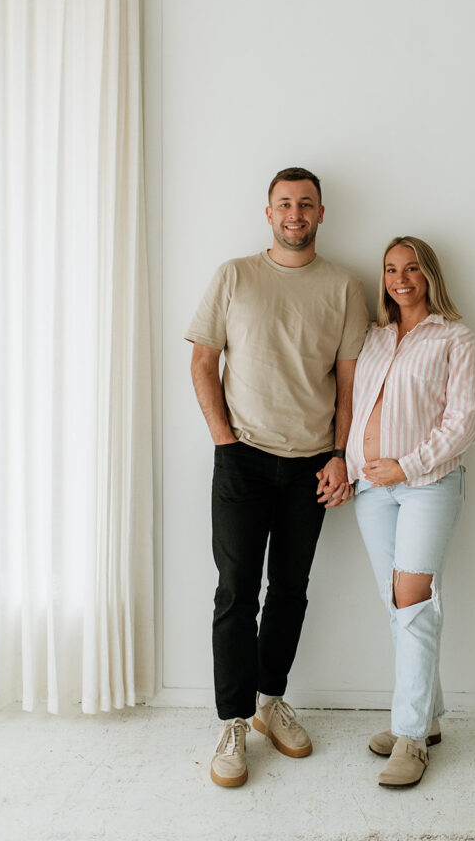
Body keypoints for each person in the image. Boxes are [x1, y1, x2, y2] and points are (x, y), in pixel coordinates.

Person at [186, 167, 368, 788]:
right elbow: (202, 361)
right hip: (242, 457)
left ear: (322, 213)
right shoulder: (235, 275)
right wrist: (224, 442)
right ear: (268, 213)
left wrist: (340, 454)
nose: (295, 214)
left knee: (290, 588)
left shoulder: (344, 287)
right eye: (284, 204)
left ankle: (270, 702)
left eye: (306, 205)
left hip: (312, 462)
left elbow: (349, 385)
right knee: (237, 591)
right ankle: (233, 720)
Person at [345, 235, 475, 788]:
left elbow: (463, 420)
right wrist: (353, 467)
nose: (401, 279)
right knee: (397, 603)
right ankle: (424, 719)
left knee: (413, 602)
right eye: (391, 269)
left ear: (430, 275)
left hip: (427, 485)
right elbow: (352, 406)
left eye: (412, 268)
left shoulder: (455, 336)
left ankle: (410, 738)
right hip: (371, 491)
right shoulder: (374, 338)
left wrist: (407, 465)